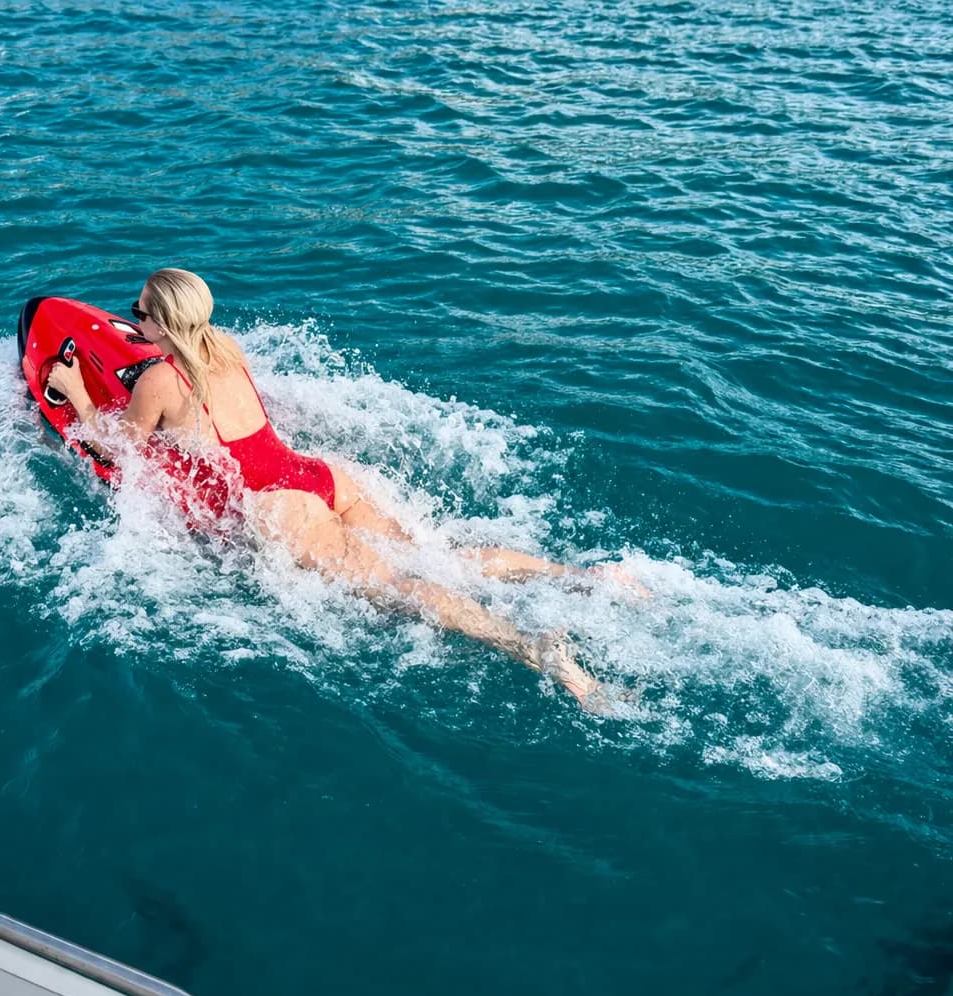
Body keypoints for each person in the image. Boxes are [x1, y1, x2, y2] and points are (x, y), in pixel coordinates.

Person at [46, 268, 640, 711]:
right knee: (436, 555)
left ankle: (533, 648)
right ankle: (584, 577)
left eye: (139, 311)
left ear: (160, 324)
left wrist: (74, 391)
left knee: (399, 586)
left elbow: (117, 447)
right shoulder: (225, 348)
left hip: (283, 509)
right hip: (317, 476)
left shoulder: (158, 379)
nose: (133, 319)